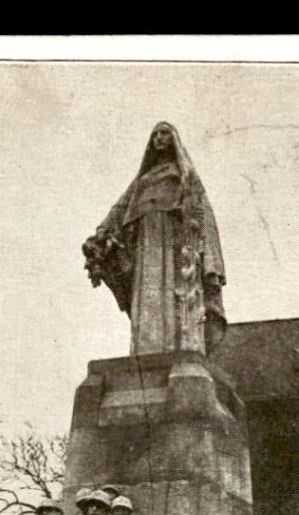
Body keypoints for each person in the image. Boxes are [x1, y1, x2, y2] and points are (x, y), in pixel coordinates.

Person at [83, 122, 226, 356]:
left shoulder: (184, 173)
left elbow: (202, 209)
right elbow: (121, 206)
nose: (159, 138)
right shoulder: (143, 180)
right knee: (149, 293)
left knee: (174, 292)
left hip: (174, 242)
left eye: (164, 134)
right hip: (146, 242)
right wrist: (103, 229)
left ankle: (177, 346)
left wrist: (206, 253)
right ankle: (147, 350)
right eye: (155, 135)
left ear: (174, 140)